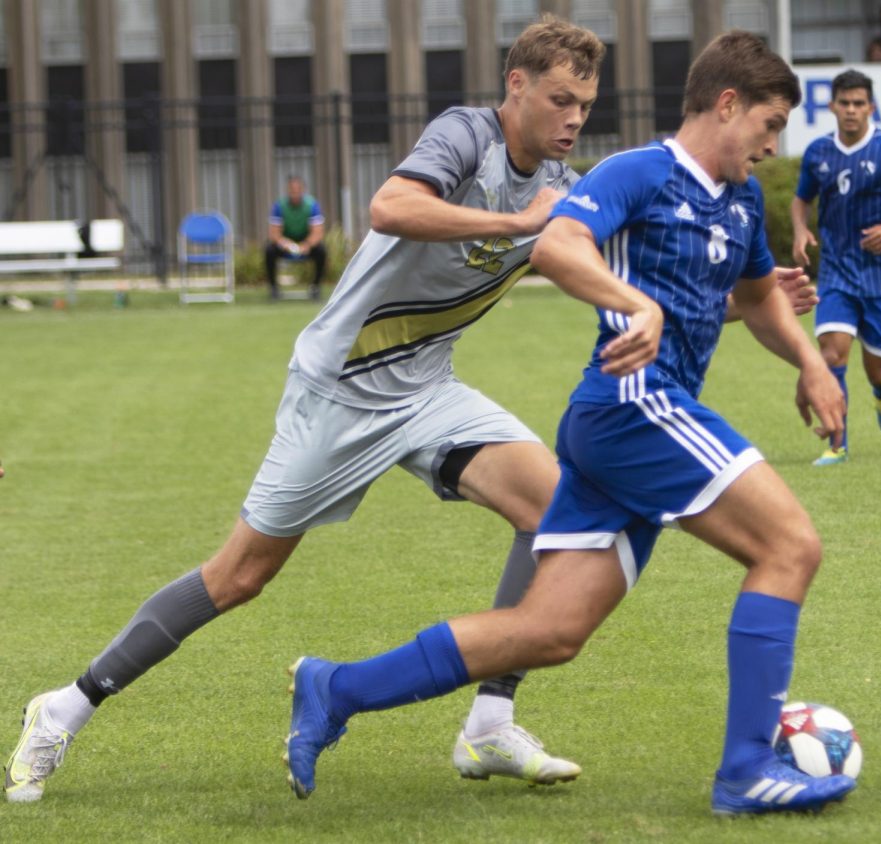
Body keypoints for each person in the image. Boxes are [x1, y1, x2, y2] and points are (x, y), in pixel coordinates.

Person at [4, 16, 604, 804]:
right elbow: (391, 205)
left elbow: (597, 269)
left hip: (427, 389)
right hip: (340, 392)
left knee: (554, 509)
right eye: (560, 98)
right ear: (516, 85)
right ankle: (64, 707)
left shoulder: (559, 191)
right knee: (238, 576)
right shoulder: (467, 135)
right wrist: (513, 223)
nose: (573, 118)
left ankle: (489, 725)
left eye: (586, 106)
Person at [277, 31, 857, 817]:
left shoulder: (742, 198)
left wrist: (811, 363)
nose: (773, 142)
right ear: (728, 105)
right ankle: (749, 768)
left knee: (549, 632)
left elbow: (757, 300)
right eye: (770, 123)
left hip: (631, 426)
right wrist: (635, 303)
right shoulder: (638, 173)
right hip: (633, 407)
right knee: (790, 546)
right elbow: (555, 245)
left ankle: (336, 687)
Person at [791, 69, 881, 466]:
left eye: (858, 104)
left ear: (871, 107)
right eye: (844, 103)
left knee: (879, 371)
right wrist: (800, 230)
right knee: (833, 354)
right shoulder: (818, 153)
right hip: (836, 273)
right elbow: (801, 200)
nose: (851, 111)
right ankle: (837, 443)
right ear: (832, 106)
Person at [265, 176, 328, 301]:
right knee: (269, 250)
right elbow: (274, 233)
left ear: (303, 190)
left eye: (297, 190)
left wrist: (307, 245)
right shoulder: (279, 206)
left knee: (322, 251)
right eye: (292, 190)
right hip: (286, 244)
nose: (295, 193)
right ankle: (274, 289)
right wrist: (285, 244)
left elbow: (318, 232)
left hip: (306, 243)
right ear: (288, 191)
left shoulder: (312, 205)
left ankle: (315, 287)